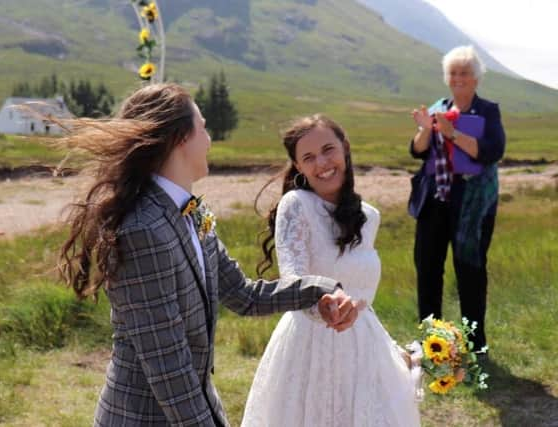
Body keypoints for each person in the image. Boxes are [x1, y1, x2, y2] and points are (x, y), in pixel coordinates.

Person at [56, 83, 364, 427]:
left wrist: (321, 291)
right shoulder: (143, 229)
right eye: (202, 127)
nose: (209, 139)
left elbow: (243, 295)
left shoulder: (190, 211)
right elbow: (168, 366)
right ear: (180, 139)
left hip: (193, 407)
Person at [242, 115, 421, 427]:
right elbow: (293, 280)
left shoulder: (370, 216)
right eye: (308, 158)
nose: (322, 163)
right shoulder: (296, 205)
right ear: (298, 166)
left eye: (328, 149)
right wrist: (327, 307)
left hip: (364, 350)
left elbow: (363, 293)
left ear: (345, 148)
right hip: (309, 348)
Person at [408, 46, 505, 353]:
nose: (458, 78)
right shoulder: (438, 106)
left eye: (464, 73)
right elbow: (417, 150)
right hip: (434, 200)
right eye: (453, 73)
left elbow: (491, 152)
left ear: (476, 79)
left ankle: (475, 345)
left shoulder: (488, 111)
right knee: (428, 268)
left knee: (470, 271)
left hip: (472, 205)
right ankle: (432, 342)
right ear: (447, 78)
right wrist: (426, 129)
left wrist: (452, 133)